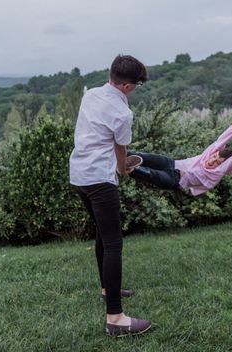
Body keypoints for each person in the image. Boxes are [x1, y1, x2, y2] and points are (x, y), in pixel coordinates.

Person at [69, 54, 152, 337]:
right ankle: (115, 318)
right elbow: (120, 150)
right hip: (99, 179)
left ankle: (108, 289)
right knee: (114, 243)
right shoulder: (123, 113)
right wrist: (123, 169)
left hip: (79, 174)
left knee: (102, 236)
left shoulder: (91, 94)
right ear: (128, 86)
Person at [126, 124, 232, 196]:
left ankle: (127, 168)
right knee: (143, 156)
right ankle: (117, 151)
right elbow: (223, 139)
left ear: (220, 166)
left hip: (174, 179)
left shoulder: (216, 174)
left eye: (217, 162)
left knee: (149, 174)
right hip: (171, 163)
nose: (212, 160)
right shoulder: (207, 155)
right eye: (214, 156)